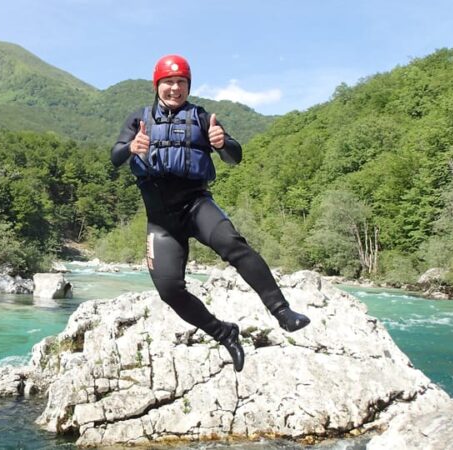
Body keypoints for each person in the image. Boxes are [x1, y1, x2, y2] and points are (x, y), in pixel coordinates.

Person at [110, 54, 310, 372]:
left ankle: (283, 312)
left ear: (188, 86)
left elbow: (235, 156)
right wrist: (131, 147)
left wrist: (222, 143)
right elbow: (115, 156)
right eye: (169, 82)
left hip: (197, 205)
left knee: (235, 246)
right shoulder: (139, 119)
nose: (175, 88)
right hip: (162, 221)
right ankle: (223, 333)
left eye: (181, 83)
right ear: (157, 85)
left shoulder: (202, 118)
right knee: (169, 290)